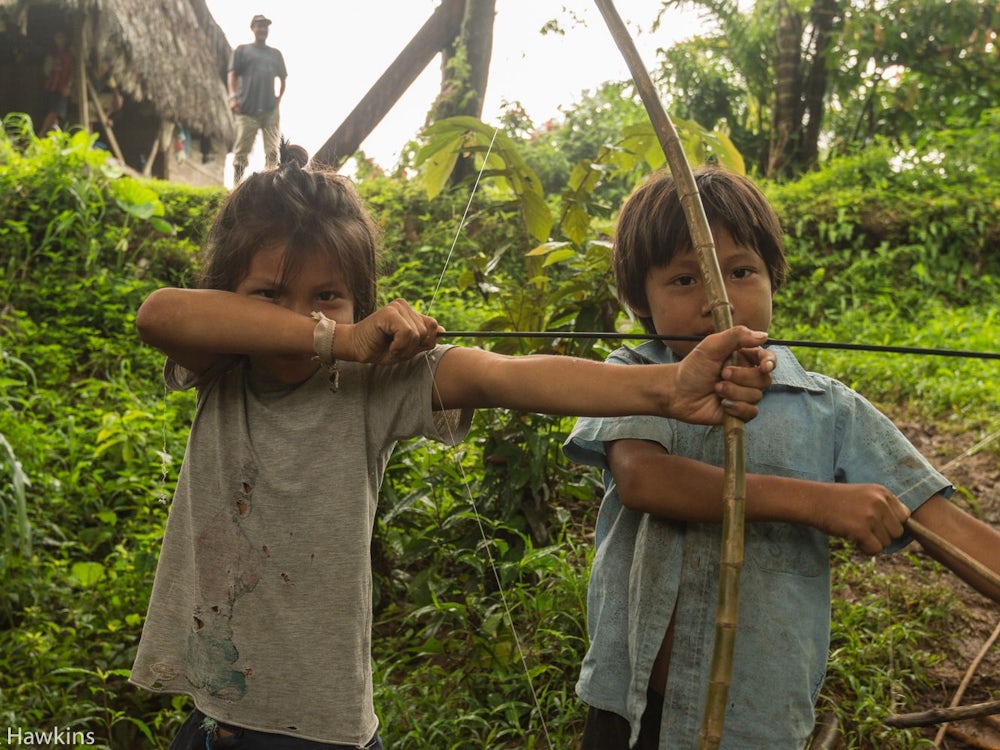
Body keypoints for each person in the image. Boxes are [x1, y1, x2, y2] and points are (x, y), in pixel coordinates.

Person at [129, 144, 778, 750]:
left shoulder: (373, 384)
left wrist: (669, 386)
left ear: (363, 302)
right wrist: (335, 335)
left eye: (329, 297)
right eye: (270, 294)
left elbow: (502, 375)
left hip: (323, 731)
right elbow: (158, 313)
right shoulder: (221, 367)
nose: (309, 316)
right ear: (230, 293)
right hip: (215, 723)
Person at [563, 166, 1000, 750]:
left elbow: (943, 524)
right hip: (630, 711)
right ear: (639, 298)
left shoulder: (829, 409)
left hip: (758, 720)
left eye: (741, 271)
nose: (718, 298)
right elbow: (644, 478)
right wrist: (820, 503)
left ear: (773, 276)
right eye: (685, 279)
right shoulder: (634, 376)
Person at [227, 14, 287, 185]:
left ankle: (271, 186)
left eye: (265, 26)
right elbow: (232, 74)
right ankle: (236, 187)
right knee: (241, 151)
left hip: (270, 109)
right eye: (259, 26)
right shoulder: (242, 51)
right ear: (253, 28)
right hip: (246, 109)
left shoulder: (275, 54)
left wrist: (278, 99)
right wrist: (233, 97)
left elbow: (283, 79)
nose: (262, 29)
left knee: (273, 151)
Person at [38, 30, 73, 135]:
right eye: (57, 37)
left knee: (55, 112)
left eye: (61, 37)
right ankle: (50, 137)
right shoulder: (52, 53)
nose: (59, 40)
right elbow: (46, 70)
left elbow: (73, 72)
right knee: (52, 114)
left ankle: (42, 133)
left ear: (66, 39)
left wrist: (69, 86)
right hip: (51, 86)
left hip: (63, 87)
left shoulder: (70, 55)